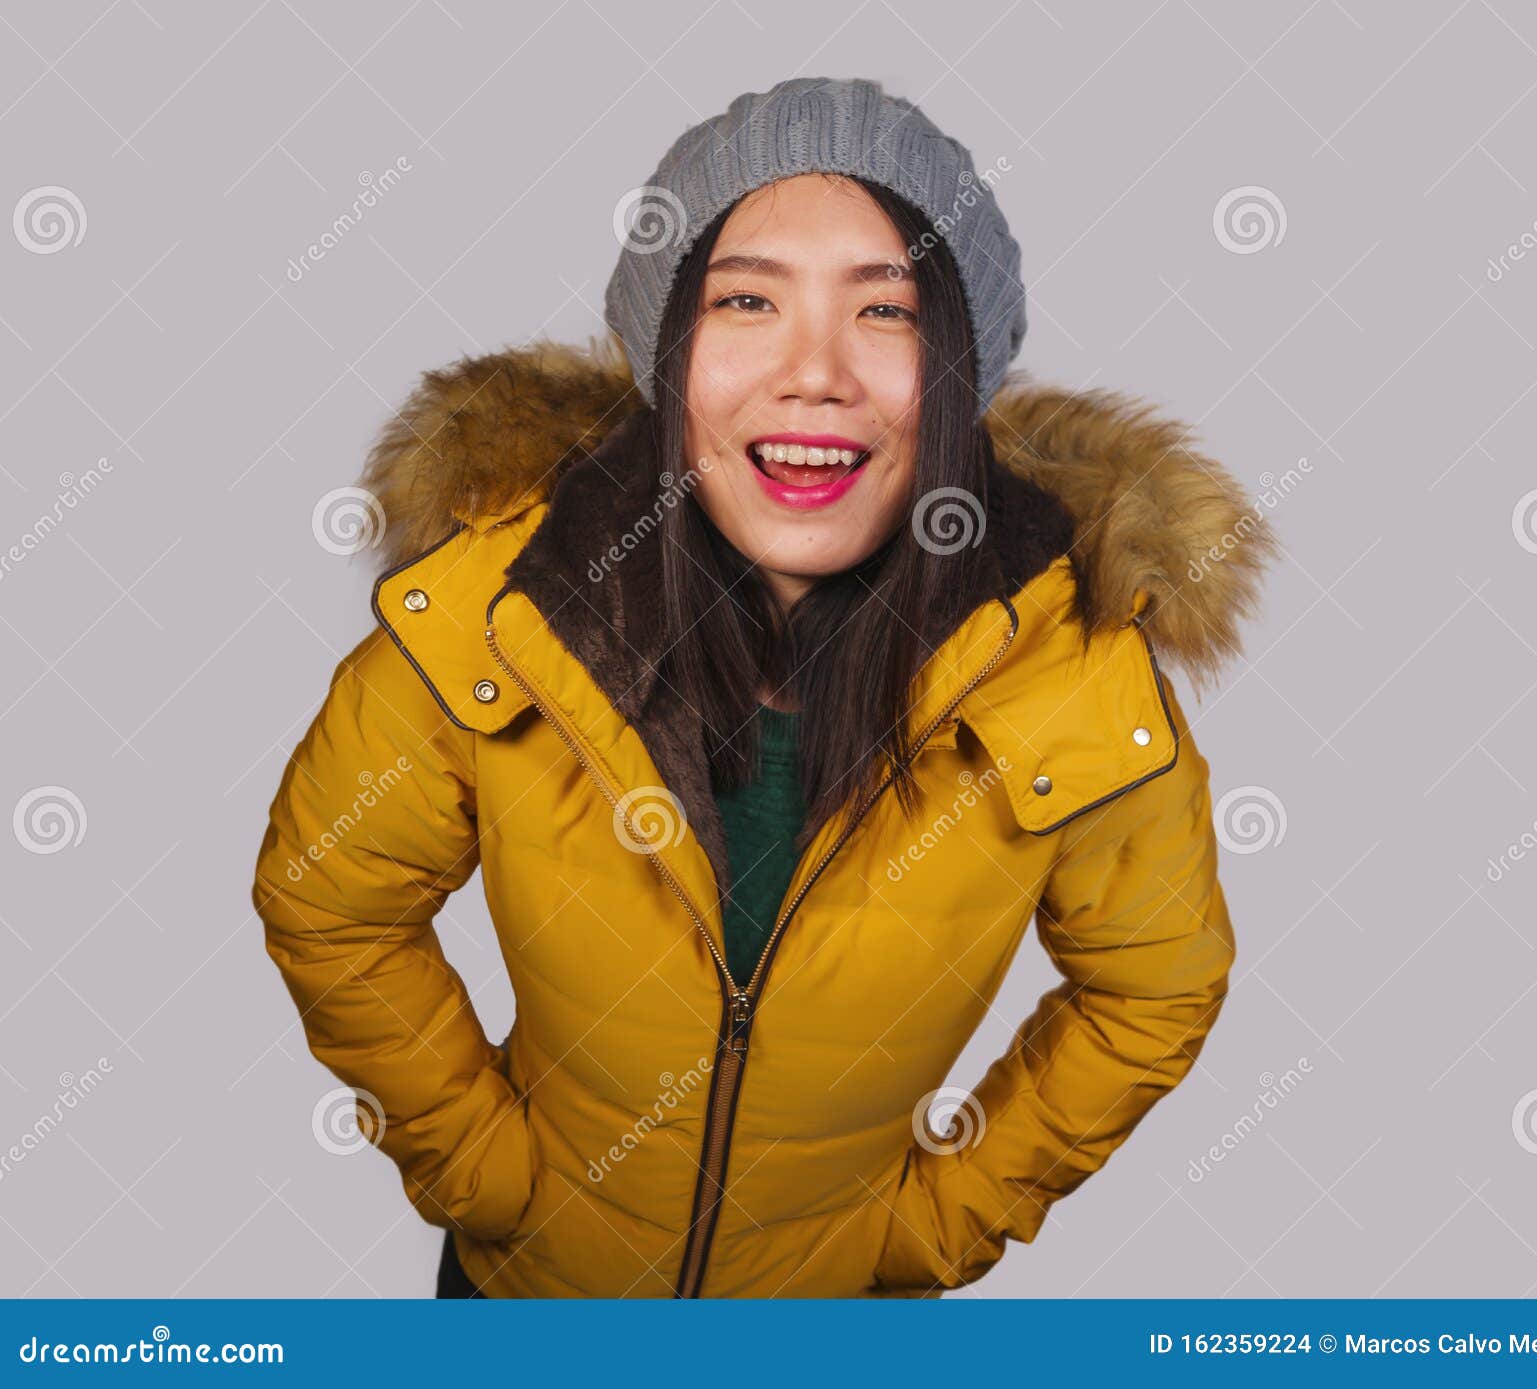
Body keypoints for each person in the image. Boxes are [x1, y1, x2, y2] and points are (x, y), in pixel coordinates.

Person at [252, 76, 1274, 1299]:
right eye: (746, 300)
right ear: (665, 353)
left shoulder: (1073, 667)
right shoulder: (497, 613)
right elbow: (330, 901)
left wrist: (932, 1230)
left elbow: (1152, 990)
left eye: (885, 311)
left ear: (956, 369)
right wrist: (484, 1178)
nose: (814, 374)